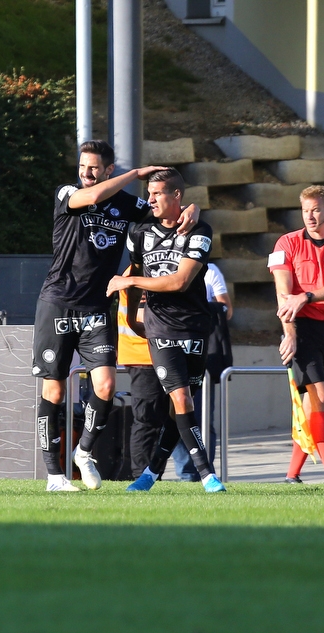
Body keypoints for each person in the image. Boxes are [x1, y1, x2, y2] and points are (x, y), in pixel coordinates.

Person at [33, 139, 199, 492]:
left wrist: (193, 210)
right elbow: (92, 198)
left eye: (93, 167)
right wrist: (136, 174)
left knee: (106, 386)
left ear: (108, 169)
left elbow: (164, 211)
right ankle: (53, 476)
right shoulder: (68, 193)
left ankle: (83, 452)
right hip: (57, 303)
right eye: (83, 166)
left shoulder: (127, 205)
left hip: (96, 307)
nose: (86, 173)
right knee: (55, 391)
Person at [107, 167, 226, 493]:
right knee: (182, 398)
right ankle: (207, 475)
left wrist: (130, 279)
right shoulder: (140, 232)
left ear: (177, 196)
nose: (150, 200)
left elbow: (180, 281)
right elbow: (135, 277)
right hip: (160, 330)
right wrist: (132, 319)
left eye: (157, 194)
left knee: (180, 408)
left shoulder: (199, 229)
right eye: (149, 194)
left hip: (196, 327)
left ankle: (150, 474)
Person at [268, 184, 324, 484]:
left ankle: (292, 475)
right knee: (318, 395)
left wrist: (305, 296)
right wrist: (289, 335)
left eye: (316, 210)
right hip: (299, 326)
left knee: (313, 406)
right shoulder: (286, 243)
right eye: (305, 211)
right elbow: (283, 296)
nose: (310, 216)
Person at [171, 261, 233, 479]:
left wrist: (194, 310)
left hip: (205, 353)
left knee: (203, 417)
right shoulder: (163, 264)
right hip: (171, 350)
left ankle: (206, 470)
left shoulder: (210, 270)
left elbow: (225, 309)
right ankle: (187, 473)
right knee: (177, 416)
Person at [116, 278, 170, 479]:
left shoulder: (148, 270)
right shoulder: (140, 273)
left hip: (156, 353)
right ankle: (142, 476)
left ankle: (153, 474)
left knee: (161, 419)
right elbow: (142, 315)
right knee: (147, 418)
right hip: (143, 355)